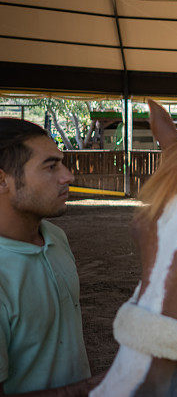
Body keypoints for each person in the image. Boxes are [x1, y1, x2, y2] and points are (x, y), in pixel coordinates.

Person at [0, 118, 95, 395]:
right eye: (51, 166)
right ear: (3, 179)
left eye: (62, 164)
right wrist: (93, 388)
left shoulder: (55, 237)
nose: (68, 176)